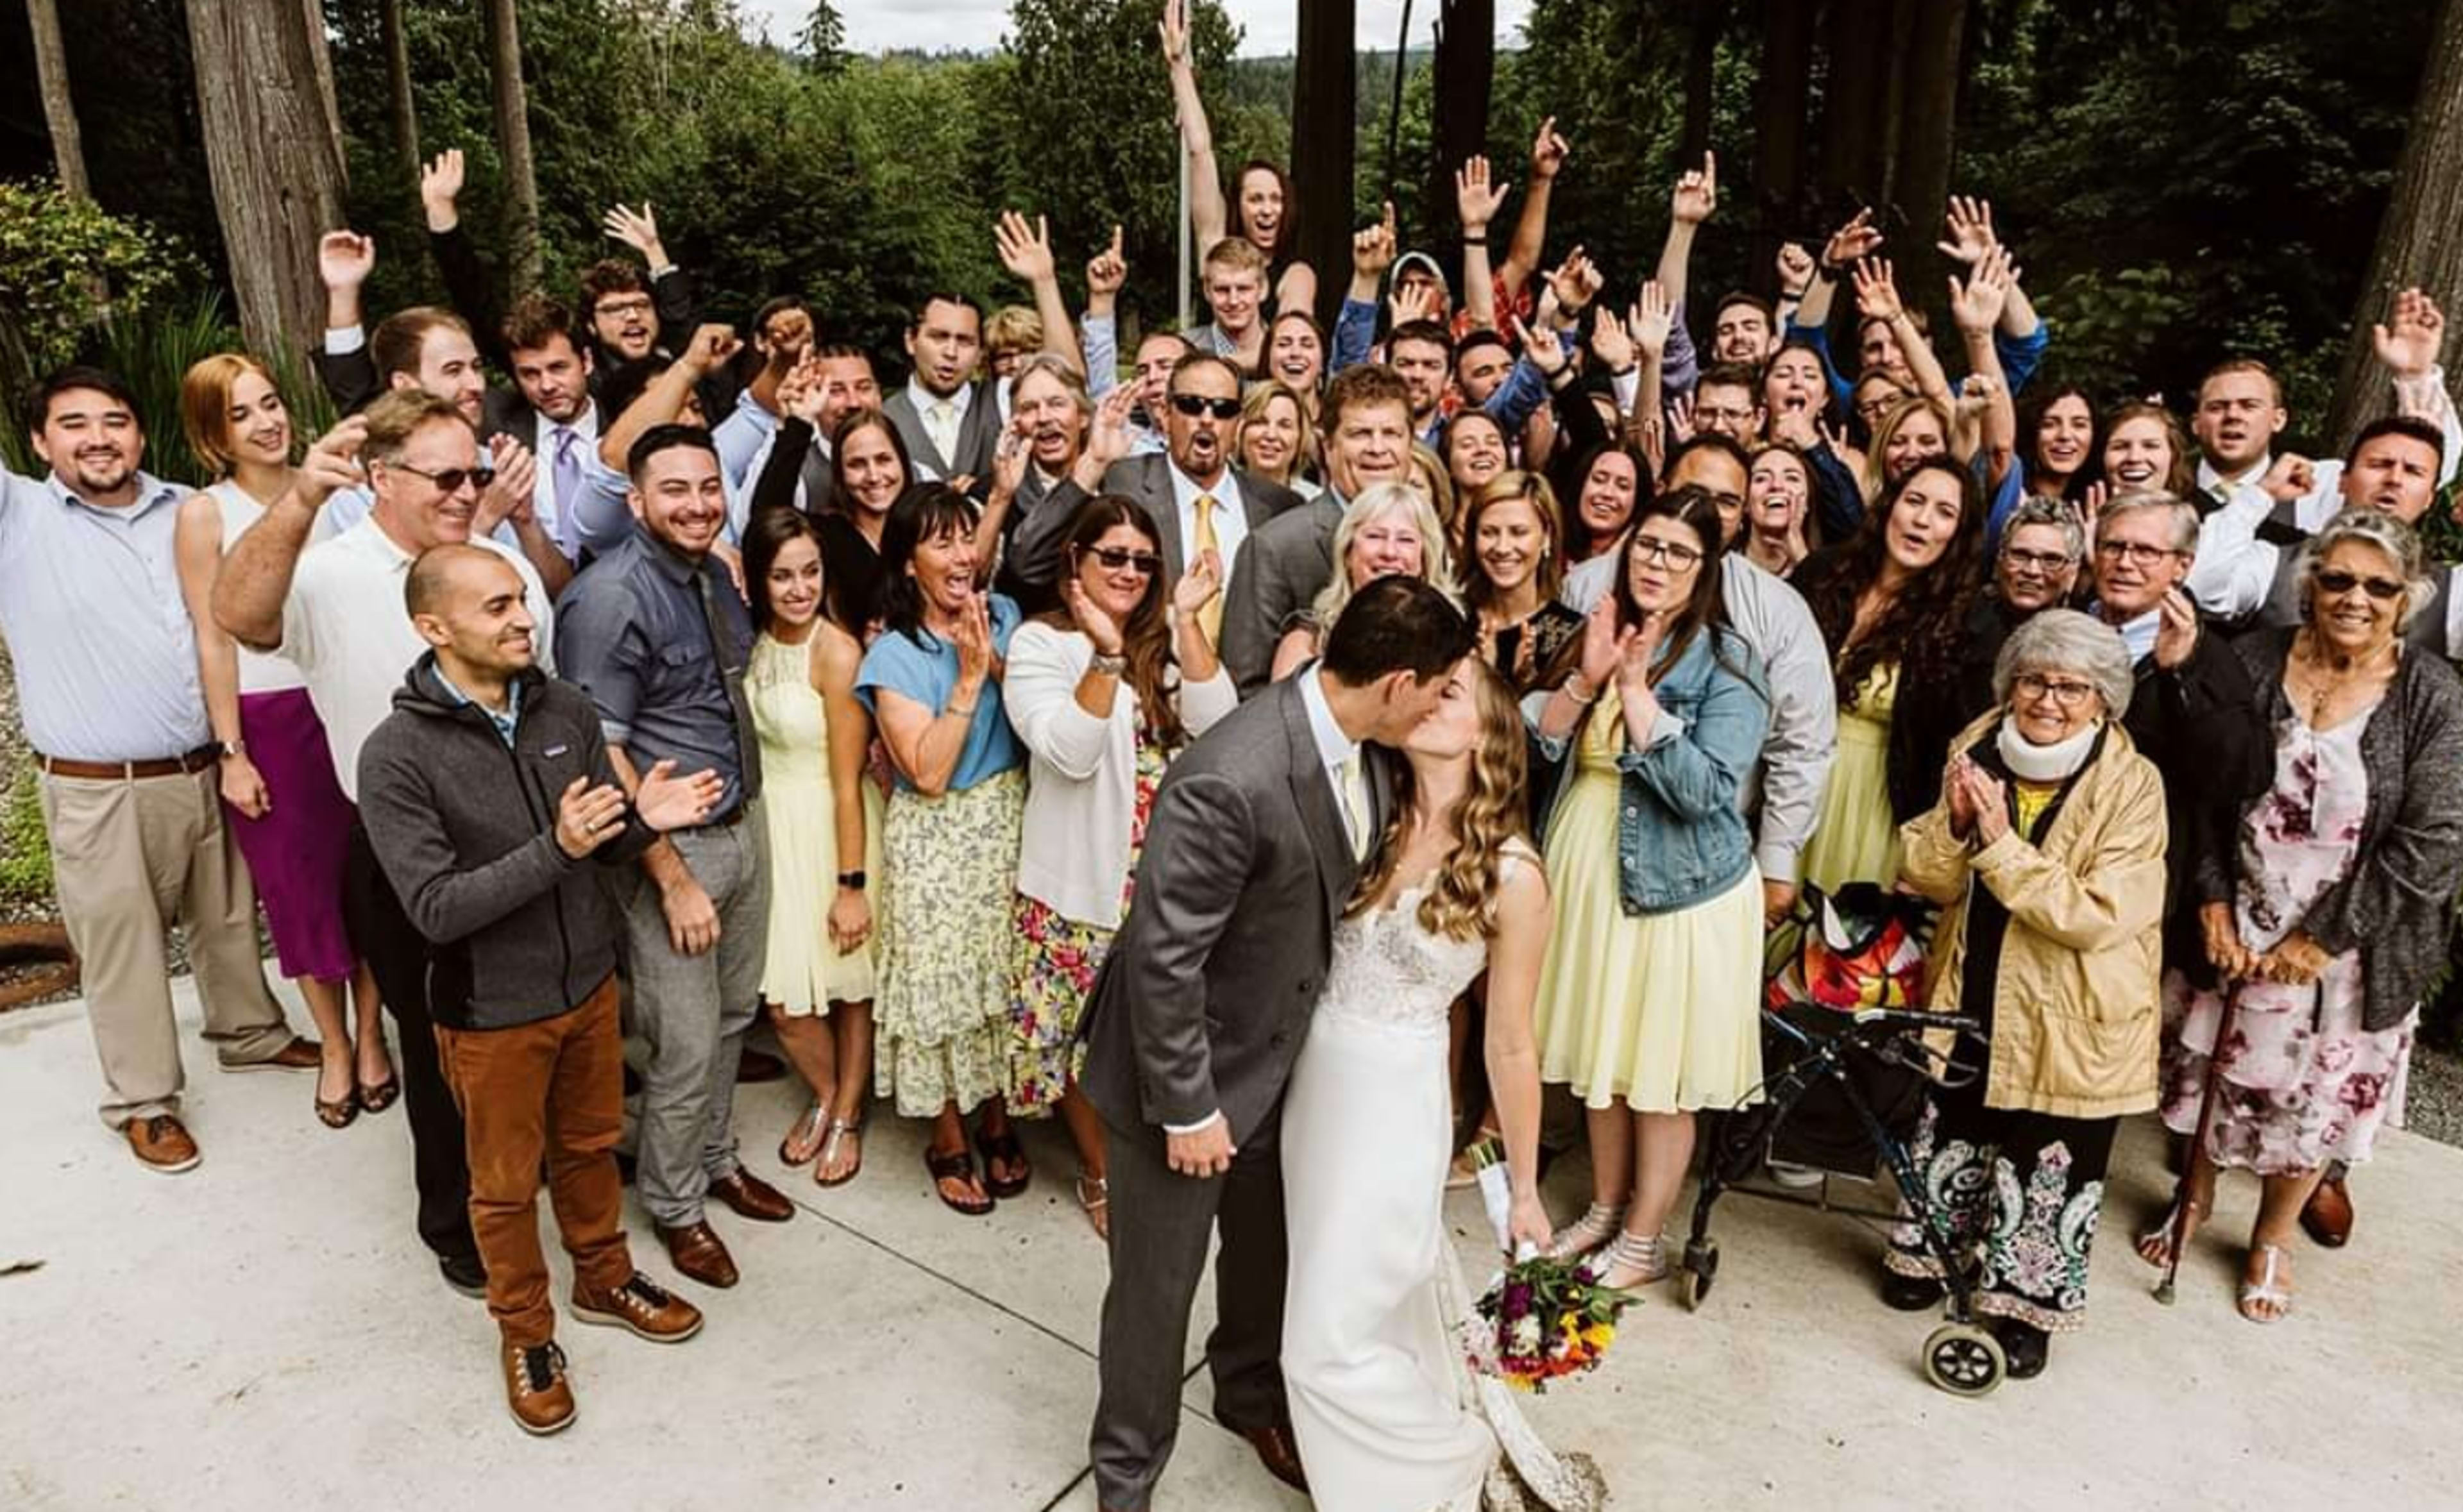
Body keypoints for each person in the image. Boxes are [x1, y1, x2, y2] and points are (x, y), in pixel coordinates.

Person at [1081, 576, 1475, 1511]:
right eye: (1439, 687)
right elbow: (1163, 960)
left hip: (1279, 1073)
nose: (1440, 706)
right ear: (1396, 682)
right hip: (1183, 1081)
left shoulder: (1374, 753)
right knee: (1155, 1294)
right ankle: (1125, 1476)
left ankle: (1248, 1395)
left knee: (1262, 1260)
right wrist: (1188, 1106)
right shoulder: (1231, 773)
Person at [357, 544, 717, 1435]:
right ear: (433, 628)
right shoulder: (396, 754)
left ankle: (603, 1277)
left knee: (591, 1148)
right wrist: (558, 846)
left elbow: (600, 824)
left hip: (588, 987)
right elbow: (436, 908)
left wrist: (642, 824)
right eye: (496, 607)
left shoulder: (564, 707)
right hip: (490, 1013)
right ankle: (527, 1333)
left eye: (522, 599)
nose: (525, 617)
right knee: (506, 1188)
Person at [216, 391, 559, 1289]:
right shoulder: (329, 571)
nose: (464, 492)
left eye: (474, 474)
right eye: (445, 477)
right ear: (381, 477)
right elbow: (240, 615)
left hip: (524, 838)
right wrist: (295, 500)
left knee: (533, 1021)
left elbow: (545, 689)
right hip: (407, 854)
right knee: (444, 1042)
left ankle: (536, 1168)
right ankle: (455, 1217)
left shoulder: (493, 565)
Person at [1281, 657, 1605, 1511]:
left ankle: (1441, 1463)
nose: (1426, 696)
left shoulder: (1513, 873)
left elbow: (1509, 1045)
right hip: (1314, 1092)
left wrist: (1526, 1187)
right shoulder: (1370, 816)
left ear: (1490, 730)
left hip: (1393, 1107)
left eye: (1450, 691)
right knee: (1352, 1299)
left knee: (1321, 1340)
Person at [2147, 509, 2463, 1324]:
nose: (2355, 597)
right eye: (2337, 579)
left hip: (2352, 942)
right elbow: (2209, 790)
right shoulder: (2255, 660)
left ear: (2407, 598)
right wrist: (2213, 901)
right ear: (2309, 583)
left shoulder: (2432, 696)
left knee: (2315, 1092)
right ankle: (2195, 1195)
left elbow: (2434, 843)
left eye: (2378, 586)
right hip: (2241, 913)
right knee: (2210, 1077)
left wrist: (2319, 939)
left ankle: (2274, 1237)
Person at [2, 367, 315, 1172]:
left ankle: (249, 1032)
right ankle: (143, 1099)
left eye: (115, 419)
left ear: (142, 432)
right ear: (40, 442)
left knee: (228, 914)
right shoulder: (20, 517)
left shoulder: (188, 507)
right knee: (122, 944)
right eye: (73, 424)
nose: (99, 437)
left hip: (208, 758)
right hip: (98, 784)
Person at [1885, 610, 2167, 1379]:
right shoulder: (1977, 748)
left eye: (2071, 687)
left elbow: (2098, 913)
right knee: (1961, 1125)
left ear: (2103, 701)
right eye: (2034, 680)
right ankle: (1933, 1257)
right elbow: (1936, 879)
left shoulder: (2133, 786)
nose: (2048, 700)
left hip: (2076, 1001)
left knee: (2052, 1157)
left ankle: (2024, 1305)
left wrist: (2002, 845)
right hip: (1976, 976)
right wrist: (1951, 822)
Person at [554, 424, 794, 1291]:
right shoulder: (610, 597)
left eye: (708, 486)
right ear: (637, 500)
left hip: (740, 826)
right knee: (683, 1043)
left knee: (732, 1016)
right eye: (675, 490)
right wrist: (671, 874)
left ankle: (718, 1156)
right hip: (674, 853)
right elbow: (600, 750)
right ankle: (676, 1202)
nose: (697, 503)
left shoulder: (711, 576)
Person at [1526, 487, 1772, 1289]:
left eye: (1677, 553)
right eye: (1647, 547)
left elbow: (1706, 792)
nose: (1656, 564)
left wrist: (1636, 697)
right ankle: (1603, 1207)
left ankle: (1643, 1238)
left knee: (1658, 1071)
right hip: (1589, 872)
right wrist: (1587, 679)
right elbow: (1540, 752)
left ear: (1705, 571)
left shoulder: (1731, 665)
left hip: (1679, 891)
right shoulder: (1594, 629)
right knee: (1602, 1054)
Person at [1004, 497, 1235, 1238]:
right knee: (1078, 1040)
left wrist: (1186, 622)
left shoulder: (1163, 638)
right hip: (1081, 883)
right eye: (1114, 556)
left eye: (1144, 560)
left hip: (1165, 879)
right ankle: (1101, 1169)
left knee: (1157, 1032)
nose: (1131, 572)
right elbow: (1069, 752)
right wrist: (1104, 656)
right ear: (1077, 561)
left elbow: (1220, 724)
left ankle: (1152, 1158)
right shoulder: (1042, 645)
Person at [173, 354, 387, 1129]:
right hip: (270, 721)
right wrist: (232, 752)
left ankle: (372, 1037)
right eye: (241, 414)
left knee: (364, 880)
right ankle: (331, 1043)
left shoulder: (335, 489)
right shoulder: (206, 513)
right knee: (298, 893)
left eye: (271, 403)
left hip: (347, 700)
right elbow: (213, 637)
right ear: (212, 434)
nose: (267, 422)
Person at [1562, 433, 1838, 926]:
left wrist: (1777, 860)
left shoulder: (1776, 610)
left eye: (1727, 501)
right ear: (1663, 490)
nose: (1707, 511)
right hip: (1580, 846)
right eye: (1694, 491)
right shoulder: (1587, 587)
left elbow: (1801, 743)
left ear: (1745, 512)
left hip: (1698, 860)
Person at [857, 484, 1033, 1216]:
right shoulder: (893, 655)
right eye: (941, 542)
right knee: (942, 987)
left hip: (1005, 819)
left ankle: (998, 1120)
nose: (961, 555)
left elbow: (1036, 722)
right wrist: (965, 680)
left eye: (967, 539)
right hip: (937, 836)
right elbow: (925, 773)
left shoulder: (1005, 617)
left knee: (998, 978)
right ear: (907, 565)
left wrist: (993, 661)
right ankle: (950, 1135)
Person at [740, 508, 883, 1188]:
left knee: (851, 986)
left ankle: (847, 1112)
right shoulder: (755, 642)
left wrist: (851, 884)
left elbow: (848, 779)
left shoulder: (837, 651)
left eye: (810, 573)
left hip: (834, 827)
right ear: (759, 580)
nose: (798, 589)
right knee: (785, 1004)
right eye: (782, 576)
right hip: (774, 827)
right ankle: (826, 1092)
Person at [1793, 458, 1988, 894]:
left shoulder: (1960, 624)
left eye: (1944, 512)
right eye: (1914, 501)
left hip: (1879, 807)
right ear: (1889, 506)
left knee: (1842, 949)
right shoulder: (1821, 575)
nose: (1922, 519)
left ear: (1959, 535)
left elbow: (1961, 748)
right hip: (1789, 787)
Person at [1022, 353, 1301, 612]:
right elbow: (1030, 562)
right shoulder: (1120, 482)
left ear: (1238, 424)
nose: (1206, 420)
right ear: (1166, 415)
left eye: (1223, 410)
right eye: (1191, 405)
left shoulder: (1278, 506)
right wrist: (1093, 463)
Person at [1221, 364, 1419, 694]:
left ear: (1410, 444)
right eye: (1359, 434)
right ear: (1328, 446)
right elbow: (1246, 688)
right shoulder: (1275, 547)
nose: (1377, 448)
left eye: (1392, 434)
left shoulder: (1427, 537)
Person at [1158, 0, 1316, 317]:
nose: (1268, 209)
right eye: (1256, 199)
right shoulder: (1215, 245)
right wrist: (1178, 66)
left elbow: (1291, 341)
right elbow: (1201, 152)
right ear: (1237, 207)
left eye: (1276, 199)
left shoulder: (1296, 274)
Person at [1269, 483, 1458, 680]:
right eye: (1375, 536)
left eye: (1406, 540)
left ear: (1425, 559)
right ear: (1348, 553)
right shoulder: (1309, 642)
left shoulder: (1453, 642)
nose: (1389, 552)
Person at [1958, 495, 2086, 712]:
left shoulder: (2086, 644)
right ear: (2000, 561)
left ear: (2073, 572)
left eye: (2051, 560)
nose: (2032, 571)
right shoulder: (1955, 626)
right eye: (2020, 555)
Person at [1462, 471, 1584, 694]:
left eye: (1518, 533)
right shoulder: (1455, 619)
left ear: (1546, 536)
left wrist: (1526, 684)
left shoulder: (1571, 635)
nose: (1502, 548)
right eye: (1489, 533)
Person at [1559, 441, 1649, 567]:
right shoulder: (1550, 547)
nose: (1607, 493)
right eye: (1599, 480)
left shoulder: (1642, 565)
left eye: (1623, 487)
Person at [1743, 440, 1815, 578]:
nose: (1777, 485)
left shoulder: (1833, 569)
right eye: (1761, 479)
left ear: (1807, 502)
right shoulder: (1722, 567)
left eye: (1792, 478)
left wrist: (1800, 557)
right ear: (1745, 502)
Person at [1235, 379, 1319, 497]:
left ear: (1301, 438)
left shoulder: (1314, 501)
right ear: (1241, 430)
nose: (1271, 435)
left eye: (1284, 425)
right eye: (1260, 422)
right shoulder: (1216, 495)